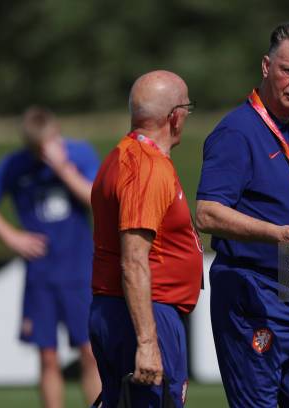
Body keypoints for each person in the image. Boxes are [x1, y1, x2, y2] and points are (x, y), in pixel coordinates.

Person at [196, 23, 289, 408]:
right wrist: (271, 233)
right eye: (288, 71)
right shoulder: (236, 132)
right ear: (265, 66)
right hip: (251, 292)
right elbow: (206, 213)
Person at [0, 107, 101, 408]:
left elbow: (96, 199)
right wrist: (11, 236)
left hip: (80, 270)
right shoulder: (16, 164)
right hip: (41, 273)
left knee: (91, 352)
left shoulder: (79, 154)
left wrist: (63, 168)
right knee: (47, 356)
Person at [89, 70, 203, 407]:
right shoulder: (146, 168)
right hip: (144, 312)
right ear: (175, 117)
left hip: (127, 310)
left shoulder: (121, 156)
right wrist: (148, 342)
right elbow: (134, 260)